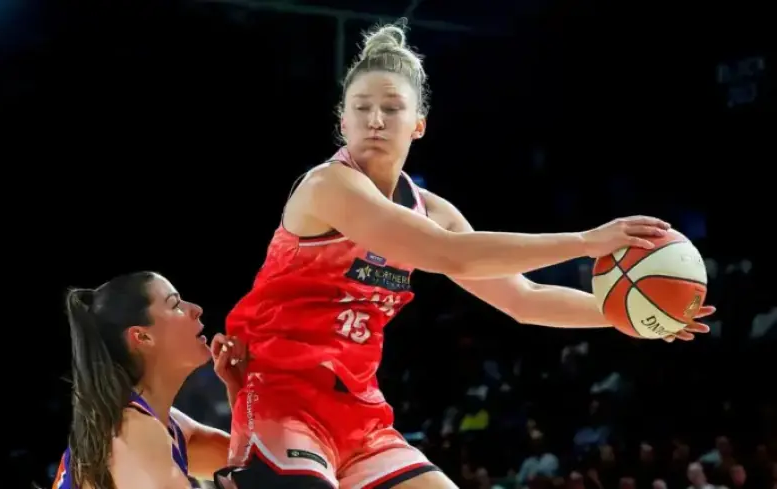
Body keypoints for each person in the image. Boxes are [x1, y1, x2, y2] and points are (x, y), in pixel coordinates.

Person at [218, 22, 714, 489]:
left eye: (392, 108)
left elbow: (524, 298)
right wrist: (585, 242)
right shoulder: (328, 185)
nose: (375, 120)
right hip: (280, 394)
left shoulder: (433, 210)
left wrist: (626, 315)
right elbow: (450, 255)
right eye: (361, 107)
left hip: (358, 412)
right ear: (343, 120)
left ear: (418, 125)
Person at [51, 271, 246, 489]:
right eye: (175, 305)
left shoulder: (168, 425)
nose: (196, 309)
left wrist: (240, 390)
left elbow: (251, 471)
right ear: (142, 337)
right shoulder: (132, 435)